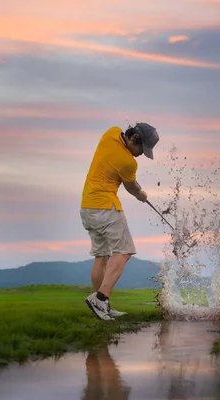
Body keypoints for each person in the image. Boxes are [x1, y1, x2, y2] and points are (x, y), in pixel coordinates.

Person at [80, 122, 159, 321]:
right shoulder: (129, 163)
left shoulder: (111, 133)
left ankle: (102, 306)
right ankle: (100, 298)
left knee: (102, 256)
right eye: (142, 149)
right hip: (106, 208)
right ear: (134, 139)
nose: (141, 154)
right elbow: (132, 187)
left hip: (87, 207)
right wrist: (142, 195)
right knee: (124, 252)